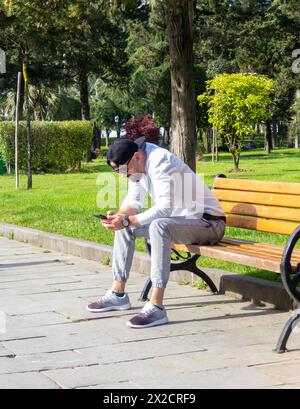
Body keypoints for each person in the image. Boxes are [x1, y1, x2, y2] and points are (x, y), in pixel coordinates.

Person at [87, 136, 226, 329]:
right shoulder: (135, 168)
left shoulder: (160, 161)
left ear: (136, 156)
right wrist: (119, 218)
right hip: (182, 222)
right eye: (117, 171)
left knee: (158, 225)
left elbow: (164, 209)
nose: (122, 174)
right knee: (127, 226)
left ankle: (156, 306)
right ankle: (118, 293)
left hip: (209, 224)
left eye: (122, 169)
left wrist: (128, 220)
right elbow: (133, 203)